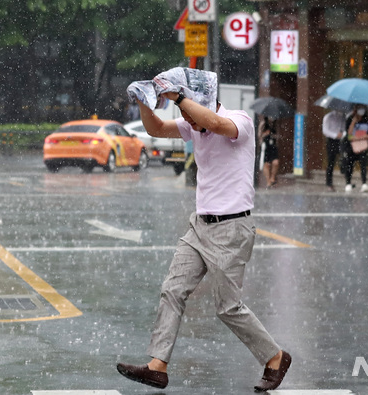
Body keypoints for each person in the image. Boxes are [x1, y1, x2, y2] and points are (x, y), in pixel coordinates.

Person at [117, 89, 291, 391]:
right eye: (184, 115)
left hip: (232, 229)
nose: (186, 120)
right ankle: (158, 365)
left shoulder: (239, 121)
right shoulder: (193, 124)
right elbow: (156, 128)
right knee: (172, 289)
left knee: (228, 307)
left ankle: (275, 356)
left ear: (203, 103)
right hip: (199, 226)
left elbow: (217, 124)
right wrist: (144, 101)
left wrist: (180, 98)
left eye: (189, 112)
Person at [342, 104, 368, 193]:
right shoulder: (350, 119)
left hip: (363, 147)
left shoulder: (366, 120)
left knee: (363, 165)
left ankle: (364, 183)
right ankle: (348, 183)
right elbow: (349, 135)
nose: (361, 110)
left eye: (363, 108)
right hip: (351, 148)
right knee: (349, 165)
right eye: (359, 108)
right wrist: (353, 122)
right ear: (355, 109)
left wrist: (357, 138)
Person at [322, 110, 346, 191]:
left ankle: (346, 178)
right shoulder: (328, 117)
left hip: (341, 140)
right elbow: (325, 131)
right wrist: (335, 135)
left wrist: (342, 134)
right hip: (331, 141)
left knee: (345, 158)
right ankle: (329, 183)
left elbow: (344, 127)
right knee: (331, 163)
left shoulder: (343, 117)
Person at [258, 117, 280, 187]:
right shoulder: (263, 124)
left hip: (273, 146)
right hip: (265, 146)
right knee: (266, 164)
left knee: (275, 162)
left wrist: (273, 135)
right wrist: (265, 134)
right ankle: (268, 181)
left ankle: (272, 178)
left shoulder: (276, 124)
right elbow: (259, 135)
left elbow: (279, 136)